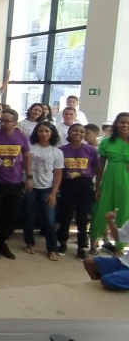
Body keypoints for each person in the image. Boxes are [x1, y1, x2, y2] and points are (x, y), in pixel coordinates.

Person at [0, 108, 32, 260]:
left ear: (15, 123)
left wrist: (29, 177)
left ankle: (4, 242)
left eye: (7, 121)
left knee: (11, 216)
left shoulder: (21, 136)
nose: (3, 123)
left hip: (15, 182)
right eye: (1, 120)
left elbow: (27, 156)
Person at [59, 124, 102, 261]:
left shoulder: (91, 150)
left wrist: (95, 185)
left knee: (82, 218)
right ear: (69, 133)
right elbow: (59, 170)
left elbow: (96, 168)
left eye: (82, 132)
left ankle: (81, 247)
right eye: (75, 131)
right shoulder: (62, 150)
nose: (79, 133)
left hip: (84, 186)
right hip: (67, 186)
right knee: (65, 216)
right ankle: (62, 243)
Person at [22, 122, 64, 261]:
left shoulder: (57, 152)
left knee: (50, 220)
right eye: (41, 131)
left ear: (52, 133)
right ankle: (29, 243)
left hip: (47, 189)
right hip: (30, 188)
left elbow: (58, 174)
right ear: (36, 132)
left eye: (47, 131)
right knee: (28, 216)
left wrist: (53, 193)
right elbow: (23, 165)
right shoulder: (30, 147)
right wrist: (27, 179)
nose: (44, 134)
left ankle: (52, 248)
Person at [90, 112, 129, 255]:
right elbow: (100, 166)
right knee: (101, 210)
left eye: (128, 123)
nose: (125, 125)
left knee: (125, 212)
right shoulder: (107, 141)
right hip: (109, 180)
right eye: (122, 122)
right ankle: (93, 242)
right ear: (116, 124)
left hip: (127, 182)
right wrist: (98, 186)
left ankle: (119, 247)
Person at [83, 210, 129, 291]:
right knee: (89, 262)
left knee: (107, 280)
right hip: (124, 262)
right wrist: (110, 221)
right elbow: (118, 237)